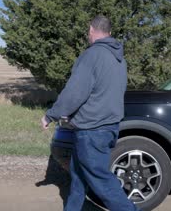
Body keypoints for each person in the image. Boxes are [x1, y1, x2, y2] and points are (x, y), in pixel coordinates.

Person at [40, 15, 138, 211]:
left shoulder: (92, 55)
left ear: (92, 30)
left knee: (100, 179)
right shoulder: (119, 59)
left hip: (92, 129)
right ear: (109, 32)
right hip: (109, 126)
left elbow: (74, 93)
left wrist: (51, 115)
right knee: (78, 176)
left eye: (88, 31)